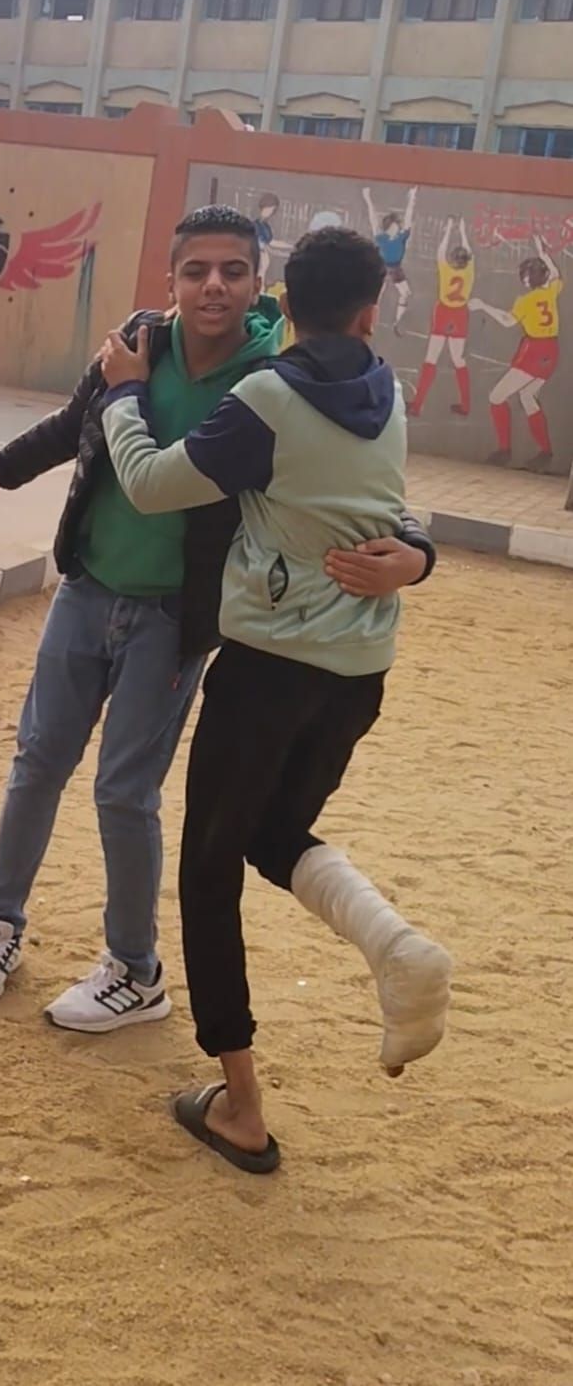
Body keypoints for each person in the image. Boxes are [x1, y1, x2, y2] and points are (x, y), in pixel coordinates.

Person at [0, 206, 435, 1034]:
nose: (212, 286)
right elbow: (72, 425)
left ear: (260, 285)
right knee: (37, 761)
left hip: (173, 614)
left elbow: (350, 487)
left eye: (232, 270)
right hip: (88, 587)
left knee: (123, 791)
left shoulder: (278, 378)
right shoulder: (139, 342)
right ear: (171, 280)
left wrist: (413, 550)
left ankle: (134, 966)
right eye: (195, 270)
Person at [99, 226, 452, 1172]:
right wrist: (418, 556)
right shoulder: (387, 392)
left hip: (268, 671)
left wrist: (125, 393)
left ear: (282, 304)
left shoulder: (267, 397)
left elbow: (150, 485)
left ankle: (242, 1107)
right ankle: (393, 944)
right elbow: (385, 508)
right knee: (270, 836)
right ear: (371, 313)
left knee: (209, 872)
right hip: (357, 675)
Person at [471, 238, 562, 471]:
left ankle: (504, 450)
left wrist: (483, 306)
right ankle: (545, 451)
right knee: (528, 396)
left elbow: (508, 320)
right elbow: (555, 273)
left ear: (526, 279)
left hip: (534, 350)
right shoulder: (551, 291)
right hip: (551, 350)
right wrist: (543, 252)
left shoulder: (526, 300)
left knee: (496, 397)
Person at [407, 217, 475, 418]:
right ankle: (466, 405)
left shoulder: (446, 269)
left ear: (453, 260)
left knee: (431, 358)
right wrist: (463, 231)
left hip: (444, 311)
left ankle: (417, 405)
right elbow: (470, 253)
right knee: (458, 359)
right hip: (460, 313)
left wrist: (448, 230)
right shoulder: (469, 272)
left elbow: (440, 252)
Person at [362, 184, 416, 334]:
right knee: (377, 295)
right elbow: (373, 218)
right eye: (396, 225)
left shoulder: (401, 237)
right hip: (382, 267)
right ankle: (369, 320)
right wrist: (368, 199)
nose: (398, 227)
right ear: (390, 226)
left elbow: (408, 218)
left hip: (395, 268)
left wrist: (411, 199)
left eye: (398, 225)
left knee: (405, 293)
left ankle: (398, 322)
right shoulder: (381, 237)